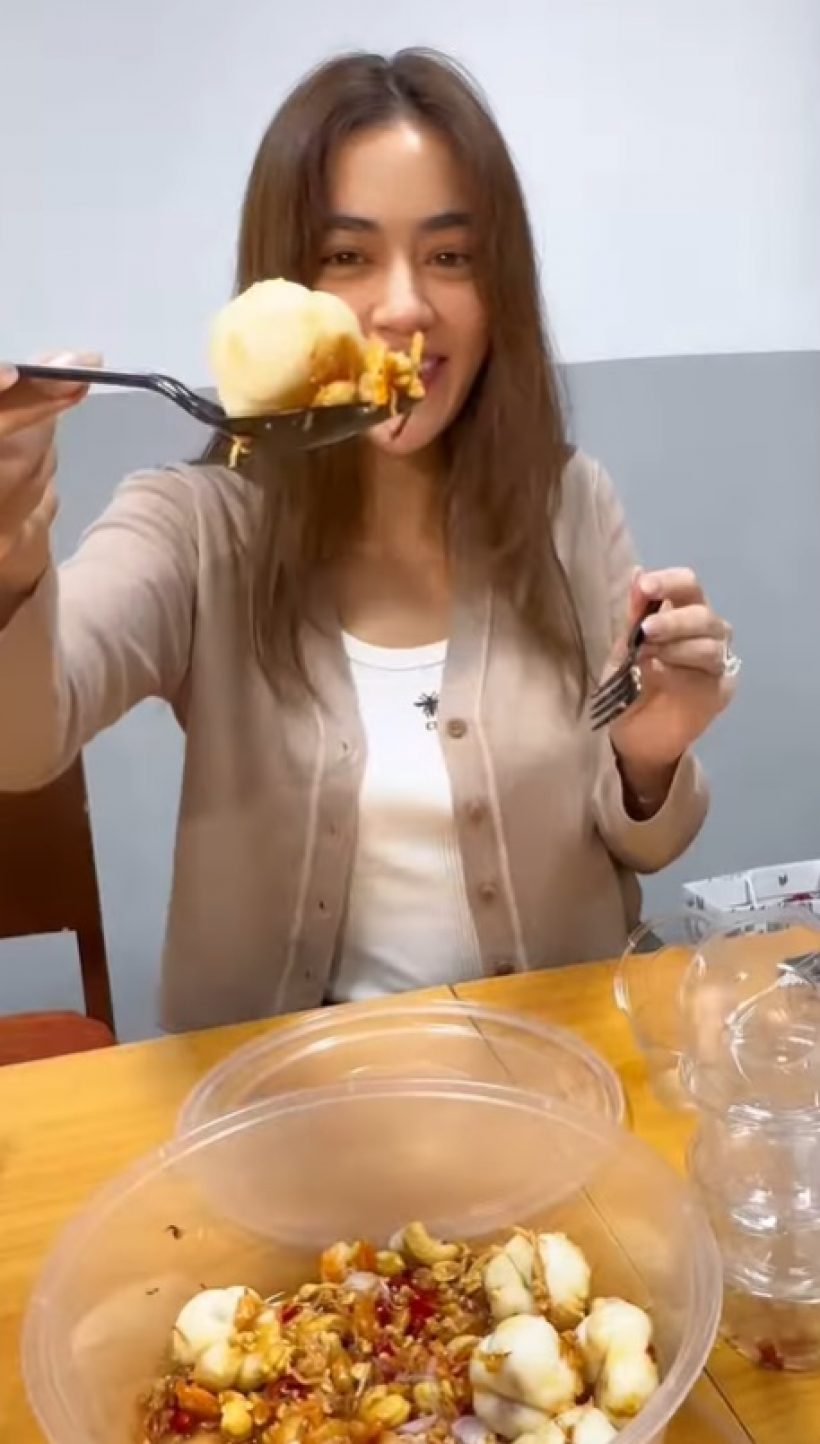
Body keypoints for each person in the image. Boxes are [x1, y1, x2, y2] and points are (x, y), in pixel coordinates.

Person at [0, 49, 737, 1031]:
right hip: (294, 1099)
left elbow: (641, 842)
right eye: (347, 256)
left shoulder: (567, 503)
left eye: (450, 256)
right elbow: (22, 741)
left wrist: (649, 757)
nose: (402, 307)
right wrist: (11, 552)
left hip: (556, 1077)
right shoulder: (196, 529)